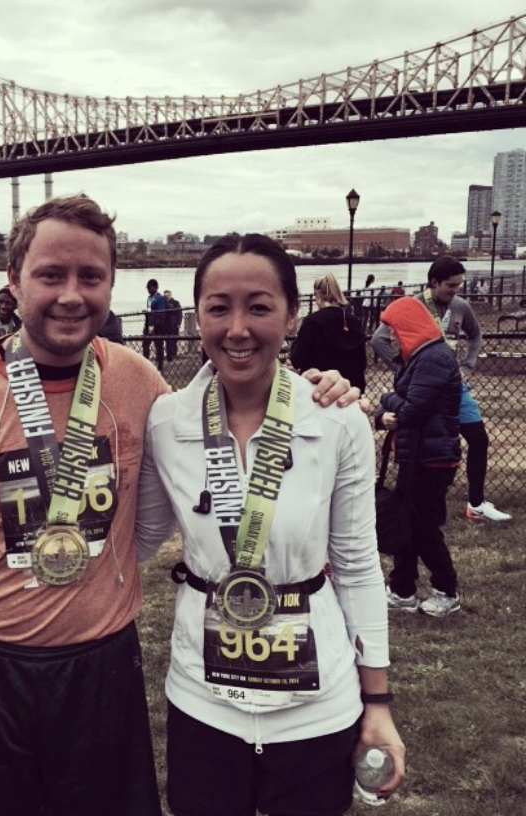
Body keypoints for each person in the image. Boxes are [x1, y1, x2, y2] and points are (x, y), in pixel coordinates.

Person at [0, 197, 358, 816]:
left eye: (91, 277)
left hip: (105, 668)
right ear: (13, 280)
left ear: (111, 283)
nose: (71, 295)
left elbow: (228, 403)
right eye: (50, 275)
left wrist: (319, 391)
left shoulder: (141, 386)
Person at [135, 234, 405, 816]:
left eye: (258, 307)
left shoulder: (337, 421)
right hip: (202, 700)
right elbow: (135, 542)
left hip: (318, 707)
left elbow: (358, 567)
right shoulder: (167, 420)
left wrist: (376, 700)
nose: (237, 329)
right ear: (198, 314)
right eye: (218, 307)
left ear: (291, 315)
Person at [371, 257, 511, 522]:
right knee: (420, 446)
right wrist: (403, 370)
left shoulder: (460, 306)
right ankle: (409, 505)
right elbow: (378, 339)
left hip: (455, 387)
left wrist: (468, 366)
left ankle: (476, 504)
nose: (455, 290)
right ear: (434, 283)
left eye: (459, 285)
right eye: (450, 285)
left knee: (478, 438)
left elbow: (476, 335)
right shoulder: (413, 305)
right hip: (422, 389)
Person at [375, 297, 462, 617]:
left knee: (423, 527)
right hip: (416, 457)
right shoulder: (420, 357)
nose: (393, 338)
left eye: (395, 331)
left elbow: (412, 409)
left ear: (409, 327)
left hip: (432, 460)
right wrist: (387, 410)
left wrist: (387, 399)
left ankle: (446, 590)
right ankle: (402, 590)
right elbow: (400, 407)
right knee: (405, 523)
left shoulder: (433, 359)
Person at [290, 272, 367, 392]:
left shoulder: (312, 321)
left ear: (318, 295)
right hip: (351, 387)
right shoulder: (353, 321)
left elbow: (297, 359)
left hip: (319, 388)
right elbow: (362, 362)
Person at [142, 278, 166, 371]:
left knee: (158, 345)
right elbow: (149, 309)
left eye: (150, 288)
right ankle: (145, 364)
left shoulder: (159, 298)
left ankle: (160, 365)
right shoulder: (149, 298)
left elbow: (161, 313)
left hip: (157, 325)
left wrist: (151, 313)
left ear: (155, 288)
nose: (148, 290)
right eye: (147, 288)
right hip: (148, 324)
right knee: (145, 344)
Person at [162, 289, 183, 362]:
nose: (166, 297)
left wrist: (178, 323)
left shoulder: (176, 303)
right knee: (168, 341)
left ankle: (174, 355)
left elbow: (179, 314)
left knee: (174, 340)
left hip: (174, 325)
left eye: (168, 295)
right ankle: (170, 356)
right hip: (166, 325)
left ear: (170, 295)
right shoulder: (163, 304)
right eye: (165, 295)